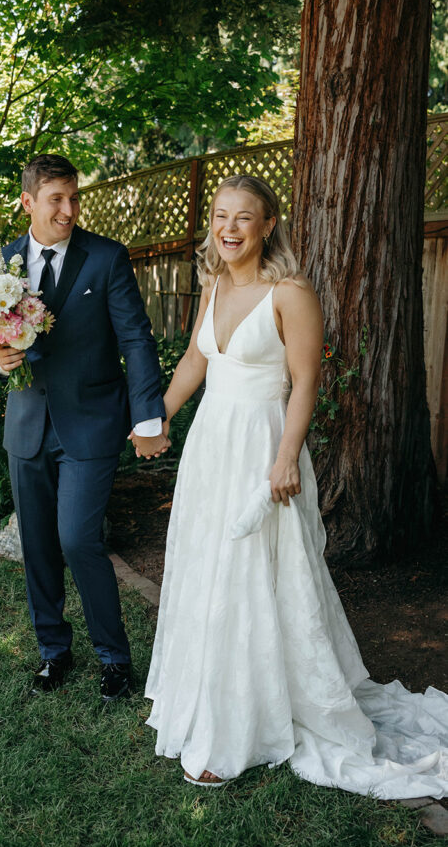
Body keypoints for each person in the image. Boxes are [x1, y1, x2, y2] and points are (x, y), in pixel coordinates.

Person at [143, 174, 448, 796]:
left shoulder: (290, 292)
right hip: (211, 449)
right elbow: (197, 361)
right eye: (221, 216)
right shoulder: (215, 282)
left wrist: (286, 459)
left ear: (268, 224)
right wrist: (160, 414)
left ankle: (240, 731)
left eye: (244, 218)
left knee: (256, 575)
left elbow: (305, 382)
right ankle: (206, 704)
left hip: (263, 448)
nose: (229, 229)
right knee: (210, 570)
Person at [0, 154, 169, 702]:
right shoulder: (3, 263)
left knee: (78, 539)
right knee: (39, 546)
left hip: (90, 424)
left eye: (73, 198)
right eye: (56, 200)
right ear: (28, 202)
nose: (68, 210)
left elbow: (135, 338)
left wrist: (147, 416)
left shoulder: (107, 258)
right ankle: (53, 653)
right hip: (26, 426)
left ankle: (113, 659)